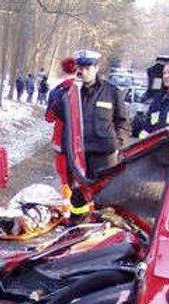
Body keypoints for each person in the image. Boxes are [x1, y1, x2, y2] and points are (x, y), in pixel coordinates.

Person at [72, 49, 129, 178]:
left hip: (105, 156)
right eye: (80, 68)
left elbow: (123, 122)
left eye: (88, 68)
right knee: (76, 196)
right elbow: (57, 113)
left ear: (96, 68)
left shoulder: (111, 92)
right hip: (77, 154)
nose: (84, 72)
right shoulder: (71, 93)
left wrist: (117, 145)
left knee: (104, 195)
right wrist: (71, 86)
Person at [45, 57, 78, 211]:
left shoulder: (56, 91)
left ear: (62, 70)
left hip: (60, 141)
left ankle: (66, 211)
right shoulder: (83, 89)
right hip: (80, 141)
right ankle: (81, 210)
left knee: (65, 179)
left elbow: (49, 118)